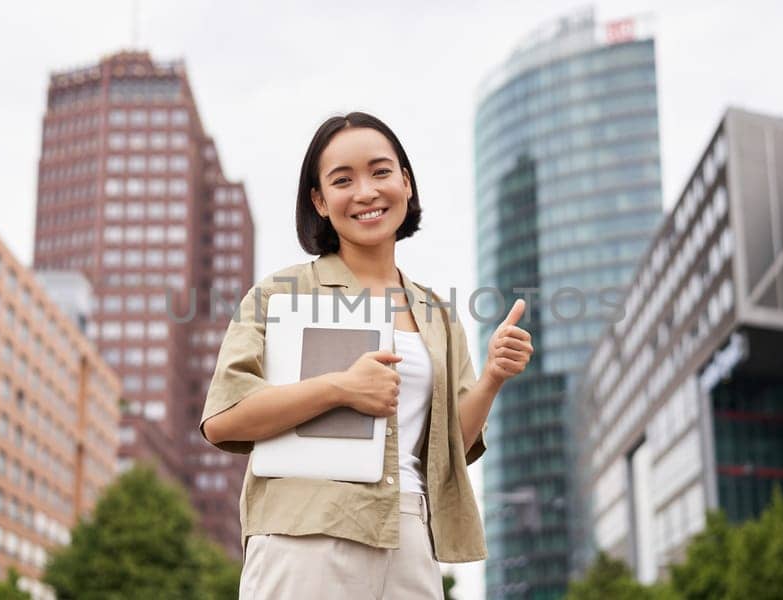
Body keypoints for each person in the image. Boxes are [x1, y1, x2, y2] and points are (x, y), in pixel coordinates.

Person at [200, 111, 535, 598]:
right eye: (342, 180)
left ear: (406, 182)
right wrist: (339, 388)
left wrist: (492, 378)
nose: (366, 192)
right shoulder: (282, 294)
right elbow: (223, 419)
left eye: (381, 172)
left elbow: (450, 451)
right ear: (319, 200)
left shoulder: (437, 314)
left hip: (411, 537)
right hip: (307, 535)